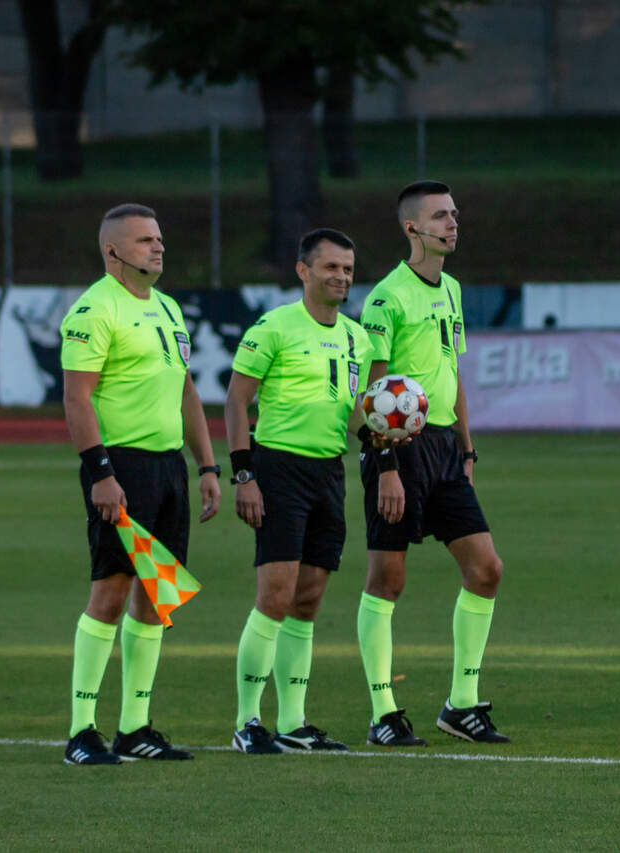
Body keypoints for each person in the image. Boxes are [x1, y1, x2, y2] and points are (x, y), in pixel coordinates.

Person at [59, 203, 222, 765]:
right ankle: (82, 731)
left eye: (159, 238)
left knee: (156, 598)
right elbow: (76, 398)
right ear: (113, 251)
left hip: (168, 467)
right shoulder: (94, 309)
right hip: (121, 468)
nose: (158, 247)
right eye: (145, 240)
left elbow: (185, 390)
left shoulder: (168, 307)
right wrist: (100, 473)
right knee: (109, 592)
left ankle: (134, 728)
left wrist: (206, 466)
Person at [356, 181, 510, 747]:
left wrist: (466, 449)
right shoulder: (386, 299)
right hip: (397, 452)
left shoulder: (451, 289)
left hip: (444, 450)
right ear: (412, 228)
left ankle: (462, 704)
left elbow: (453, 372)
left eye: (455, 214)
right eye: (441, 216)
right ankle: (384, 713)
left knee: (486, 569)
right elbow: (374, 393)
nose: (453, 223)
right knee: (388, 581)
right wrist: (386, 466)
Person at [225, 228, 372, 754]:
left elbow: (351, 412)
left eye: (348, 269)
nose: (342, 277)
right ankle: (247, 721)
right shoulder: (274, 327)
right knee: (275, 597)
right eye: (331, 267)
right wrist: (244, 475)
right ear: (303, 271)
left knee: (307, 601)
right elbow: (236, 401)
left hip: (329, 473)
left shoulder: (358, 338)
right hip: (278, 469)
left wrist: (382, 435)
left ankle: (292, 723)